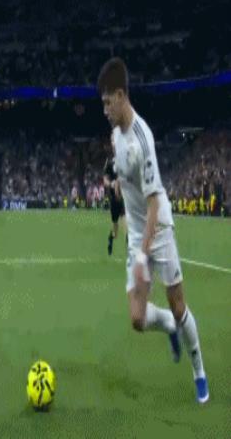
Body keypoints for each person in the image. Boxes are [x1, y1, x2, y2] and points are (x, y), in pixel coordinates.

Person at [97, 57, 208, 403]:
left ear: (121, 95)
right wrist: (117, 185)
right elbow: (125, 176)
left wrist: (143, 256)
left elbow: (155, 205)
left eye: (107, 103)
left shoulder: (141, 139)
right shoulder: (115, 136)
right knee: (137, 318)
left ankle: (199, 372)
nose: (104, 110)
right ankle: (170, 329)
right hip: (136, 235)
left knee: (178, 304)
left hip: (158, 230)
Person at [103, 140, 125, 255]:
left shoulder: (127, 161)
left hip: (125, 199)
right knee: (116, 233)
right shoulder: (110, 163)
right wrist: (112, 184)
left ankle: (131, 254)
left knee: (127, 227)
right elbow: (105, 180)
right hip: (114, 200)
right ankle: (111, 238)